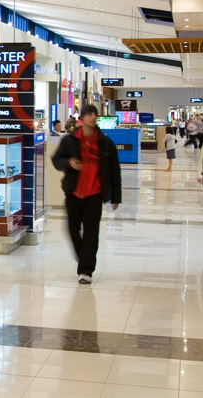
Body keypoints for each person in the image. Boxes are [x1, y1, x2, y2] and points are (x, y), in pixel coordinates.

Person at [51, 105, 122, 284]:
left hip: (94, 194)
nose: (93, 117)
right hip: (74, 193)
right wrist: (69, 163)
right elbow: (56, 160)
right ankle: (85, 258)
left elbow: (114, 170)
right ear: (82, 118)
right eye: (89, 114)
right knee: (72, 230)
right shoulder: (70, 140)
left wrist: (116, 196)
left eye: (95, 114)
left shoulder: (105, 143)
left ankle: (86, 270)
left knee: (91, 232)